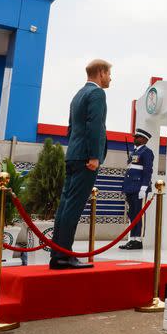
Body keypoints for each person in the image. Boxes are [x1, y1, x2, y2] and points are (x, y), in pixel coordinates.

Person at [50, 59, 111, 270]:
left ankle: (58, 254)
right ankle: (64, 256)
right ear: (101, 72)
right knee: (73, 207)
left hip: (74, 155)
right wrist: (94, 155)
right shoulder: (97, 94)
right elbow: (94, 125)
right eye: (109, 73)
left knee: (65, 205)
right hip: (86, 158)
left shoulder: (78, 95)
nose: (110, 78)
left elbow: (70, 129)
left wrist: (77, 151)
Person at [119, 128, 154, 250]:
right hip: (130, 187)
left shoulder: (147, 152)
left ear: (144, 139)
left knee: (139, 214)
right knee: (132, 213)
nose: (135, 139)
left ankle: (138, 240)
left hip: (139, 188)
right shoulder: (134, 152)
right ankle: (132, 238)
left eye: (137, 137)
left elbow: (147, 171)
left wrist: (144, 188)